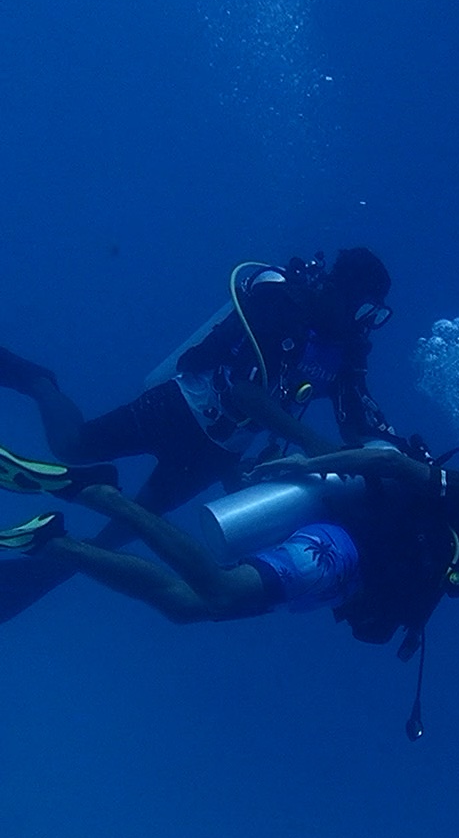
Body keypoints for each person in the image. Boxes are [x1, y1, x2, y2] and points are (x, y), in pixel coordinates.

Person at [0, 439, 459, 733]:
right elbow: (389, 462)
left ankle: (55, 543)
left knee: (191, 607)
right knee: (219, 591)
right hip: (339, 550)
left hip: (340, 575)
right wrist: (310, 463)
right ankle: (102, 495)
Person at [0, 247, 397, 619]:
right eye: (365, 310)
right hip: (177, 407)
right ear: (341, 290)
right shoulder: (283, 304)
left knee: (123, 533)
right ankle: (38, 382)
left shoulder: (347, 352)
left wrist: (392, 453)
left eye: (374, 316)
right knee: (72, 446)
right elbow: (244, 391)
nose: (365, 324)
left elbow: (357, 420)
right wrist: (312, 442)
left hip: (219, 452)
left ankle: (32, 574)